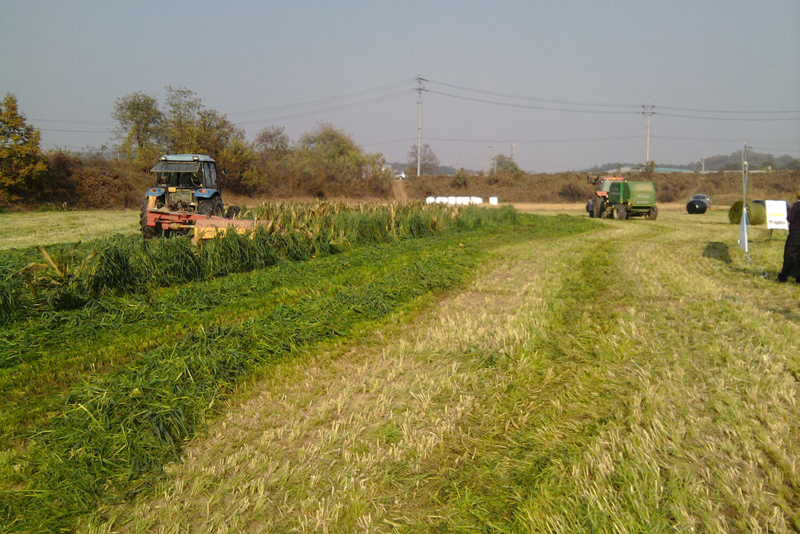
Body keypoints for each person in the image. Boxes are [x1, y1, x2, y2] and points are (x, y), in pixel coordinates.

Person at [777, 185, 800, 282]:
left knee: (789, 254)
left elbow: (789, 218)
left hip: (796, 233)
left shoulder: (797, 205)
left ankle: (783, 276)